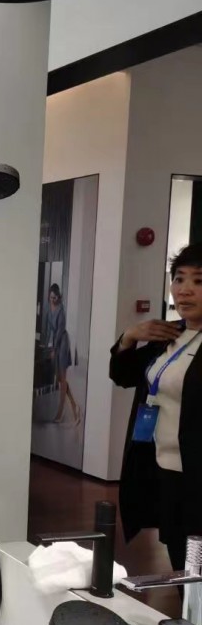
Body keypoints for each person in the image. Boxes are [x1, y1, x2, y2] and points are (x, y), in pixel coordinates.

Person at [110, 243, 202, 570]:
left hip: (196, 476)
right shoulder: (168, 333)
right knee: (179, 555)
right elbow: (123, 375)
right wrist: (129, 337)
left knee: (196, 562)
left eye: (198, 281)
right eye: (179, 279)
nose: (185, 290)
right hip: (164, 467)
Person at [46, 284, 80, 426]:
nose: (53, 300)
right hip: (55, 343)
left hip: (63, 343)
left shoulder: (61, 310)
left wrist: (54, 348)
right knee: (61, 380)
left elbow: (59, 331)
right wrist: (48, 345)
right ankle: (75, 406)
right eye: (51, 297)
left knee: (62, 378)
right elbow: (50, 330)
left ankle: (60, 412)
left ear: (58, 297)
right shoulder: (49, 308)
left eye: (55, 298)